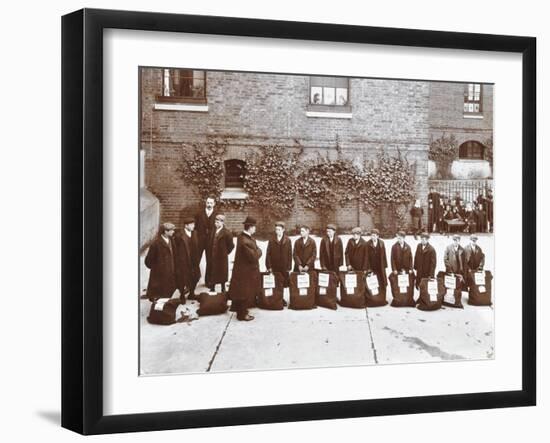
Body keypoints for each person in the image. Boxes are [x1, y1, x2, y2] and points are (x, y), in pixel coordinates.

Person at [227, 216, 263, 321]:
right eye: (254, 227)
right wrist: (259, 250)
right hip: (246, 272)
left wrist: (256, 249)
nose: (255, 229)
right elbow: (254, 256)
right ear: (250, 227)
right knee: (244, 293)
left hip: (243, 271)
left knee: (242, 292)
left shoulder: (242, 237)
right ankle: (242, 315)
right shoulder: (245, 240)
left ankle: (241, 312)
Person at [144, 222, 178, 301]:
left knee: (169, 293)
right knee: (159, 295)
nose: (174, 232)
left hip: (170, 271)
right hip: (160, 273)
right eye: (172, 230)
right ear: (165, 231)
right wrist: (156, 268)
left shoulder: (172, 240)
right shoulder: (156, 244)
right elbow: (148, 261)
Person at [205, 214, 234, 291]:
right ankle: (212, 287)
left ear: (222, 223)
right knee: (213, 271)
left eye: (218, 222)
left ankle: (223, 287)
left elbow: (231, 245)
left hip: (221, 257)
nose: (216, 223)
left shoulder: (227, 233)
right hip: (213, 255)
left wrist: (225, 252)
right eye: (215, 221)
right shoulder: (212, 231)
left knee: (222, 272)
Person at [174, 217, 200, 301]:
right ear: (186, 226)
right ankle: (182, 295)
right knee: (183, 278)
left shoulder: (195, 233)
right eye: (192, 225)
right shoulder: (179, 235)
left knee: (196, 276)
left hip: (194, 260)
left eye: (194, 224)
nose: (193, 226)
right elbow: (175, 248)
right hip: (183, 260)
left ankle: (191, 293)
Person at [194, 196, 218, 275]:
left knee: (210, 260)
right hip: (200, 240)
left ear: (214, 204)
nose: (209, 204)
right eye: (208, 203)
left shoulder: (217, 215)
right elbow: (195, 227)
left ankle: (209, 281)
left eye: (211, 203)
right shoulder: (199, 214)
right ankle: (194, 278)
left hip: (211, 240)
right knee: (196, 259)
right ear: (205, 203)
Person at [265, 221, 292, 287]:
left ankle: (282, 297)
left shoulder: (288, 240)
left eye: (279, 230)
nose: (277, 231)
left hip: (284, 266)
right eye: (276, 229)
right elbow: (268, 254)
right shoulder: (271, 240)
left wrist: (289, 266)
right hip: (275, 266)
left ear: (283, 230)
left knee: (284, 284)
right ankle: (277, 297)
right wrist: (269, 266)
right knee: (275, 284)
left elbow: (290, 254)